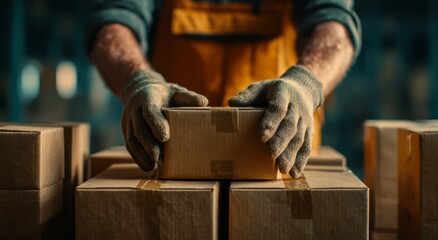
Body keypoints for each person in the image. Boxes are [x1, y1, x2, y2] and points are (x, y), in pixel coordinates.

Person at [86, 0, 361, 178]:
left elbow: (335, 23)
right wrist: (138, 80)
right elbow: (114, 19)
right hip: (172, 166)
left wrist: (305, 83)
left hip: (278, 164)